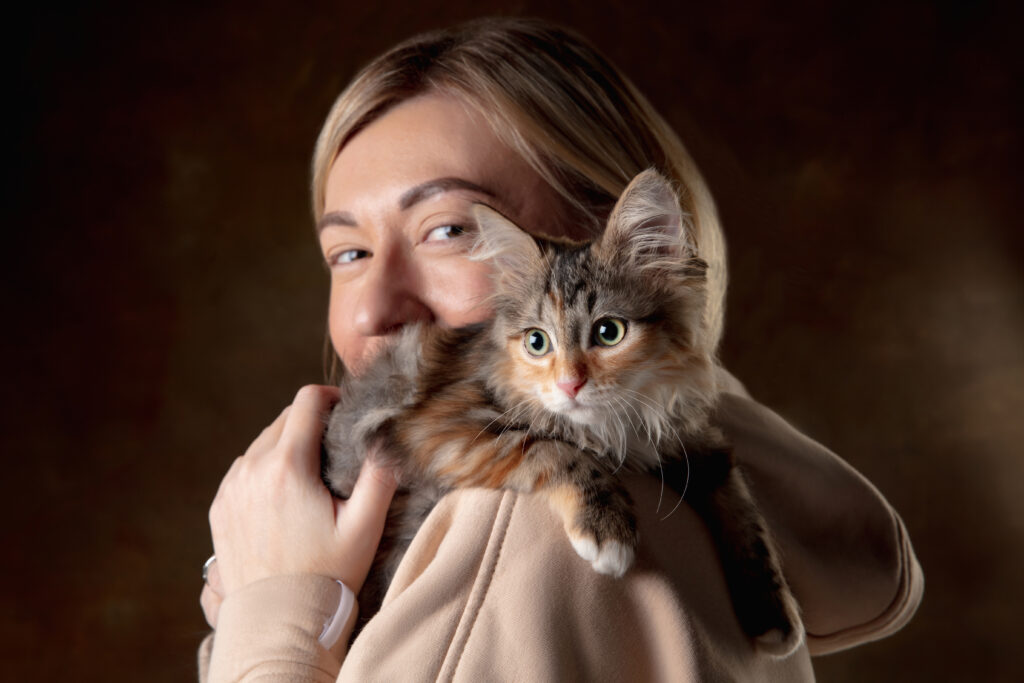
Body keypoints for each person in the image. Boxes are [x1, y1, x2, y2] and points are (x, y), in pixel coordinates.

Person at [198, 18, 923, 681]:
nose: (373, 310)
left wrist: (278, 622)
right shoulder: (695, 487)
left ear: (636, 244)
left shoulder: (519, 524)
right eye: (348, 251)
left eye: (451, 230)